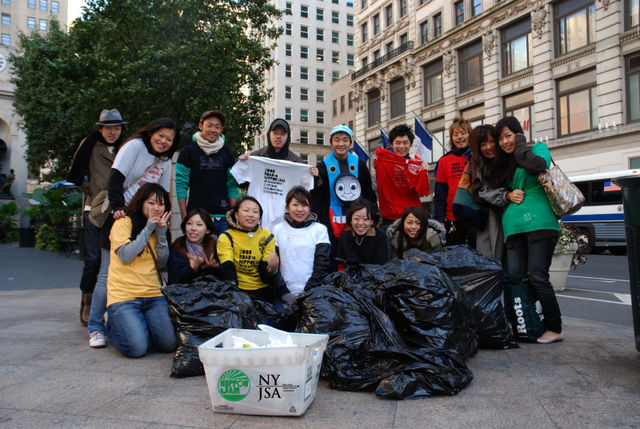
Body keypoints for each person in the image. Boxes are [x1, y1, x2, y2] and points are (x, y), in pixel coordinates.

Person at [87, 117, 178, 348]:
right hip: (120, 215)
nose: (164, 141)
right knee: (106, 274)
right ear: (151, 132)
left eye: (169, 139)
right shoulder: (135, 146)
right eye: (161, 135)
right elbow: (115, 179)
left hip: (145, 217)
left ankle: (131, 320)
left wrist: (162, 219)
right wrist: (118, 208)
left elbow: (161, 193)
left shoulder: (165, 160)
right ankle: (96, 327)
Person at [496, 116, 563, 344]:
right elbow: (495, 189)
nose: (505, 142)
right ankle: (519, 322)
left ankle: (554, 328)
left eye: (508, 136)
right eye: (501, 138)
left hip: (540, 225)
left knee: (537, 277)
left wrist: (521, 147)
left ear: (519, 134)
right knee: (513, 278)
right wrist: (507, 195)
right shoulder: (503, 162)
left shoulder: (537, 149)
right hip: (513, 228)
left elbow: (538, 167)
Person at [67, 109, 127, 327]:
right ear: (100, 129)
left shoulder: (125, 148)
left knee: (115, 260)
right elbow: (74, 173)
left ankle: (112, 305)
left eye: (117, 128)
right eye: (108, 128)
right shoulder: (90, 145)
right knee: (93, 259)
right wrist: (91, 190)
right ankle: (87, 299)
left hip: (118, 209)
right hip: (95, 209)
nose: (112, 132)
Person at [105, 183, 176, 358]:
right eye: (151, 203)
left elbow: (162, 262)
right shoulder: (123, 223)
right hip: (124, 297)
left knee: (168, 344)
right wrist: (149, 228)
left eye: (161, 204)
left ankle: (137, 326)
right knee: (137, 349)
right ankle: (113, 323)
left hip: (153, 295)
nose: (156, 208)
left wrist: (161, 233)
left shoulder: (159, 227)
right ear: (141, 202)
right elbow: (125, 256)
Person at [454, 125, 522, 261]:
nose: (489, 147)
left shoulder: (508, 159)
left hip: (515, 216)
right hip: (488, 220)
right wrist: (506, 195)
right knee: (493, 260)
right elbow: (481, 192)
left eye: (492, 141)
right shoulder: (476, 165)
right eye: (483, 144)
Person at [311, 125, 376, 266]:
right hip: (331, 218)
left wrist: (372, 214)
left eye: (345, 140)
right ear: (331, 143)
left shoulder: (359, 164)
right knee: (335, 256)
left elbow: (368, 192)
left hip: (358, 218)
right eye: (337, 140)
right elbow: (319, 197)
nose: (341, 144)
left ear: (351, 143)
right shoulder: (322, 167)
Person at [232, 118, 312, 231]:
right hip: (255, 218)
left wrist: (314, 175)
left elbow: (307, 192)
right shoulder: (256, 157)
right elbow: (239, 182)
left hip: (284, 221)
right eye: (275, 133)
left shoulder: (297, 163)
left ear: (288, 137)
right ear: (269, 134)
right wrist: (241, 163)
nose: (278, 137)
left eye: (282, 134)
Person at [216, 196, 290, 303]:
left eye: (255, 212)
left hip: (262, 292)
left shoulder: (267, 236)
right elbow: (228, 266)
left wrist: (271, 269)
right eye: (246, 210)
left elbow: (265, 274)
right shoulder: (226, 236)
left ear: (259, 216)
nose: (251, 215)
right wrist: (231, 287)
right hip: (237, 291)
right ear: (236, 214)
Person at [175, 110, 238, 232]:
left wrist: (233, 214)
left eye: (217, 127)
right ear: (201, 126)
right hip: (195, 217)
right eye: (209, 125)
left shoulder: (228, 154)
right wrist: (184, 215)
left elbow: (232, 185)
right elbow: (181, 183)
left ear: (221, 129)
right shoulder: (187, 152)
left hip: (222, 218)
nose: (213, 130)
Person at [272, 186, 331, 299]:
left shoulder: (320, 229)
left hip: (313, 295)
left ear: (310, 208)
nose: (300, 209)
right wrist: (283, 292)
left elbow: (322, 265)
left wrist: (308, 292)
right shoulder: (277, 229)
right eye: (295, 205)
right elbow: (274, 266)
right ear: (287, 208)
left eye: (304, 205)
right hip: (284, 295)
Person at [373, 124, 430, 230]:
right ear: (391, 144)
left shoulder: (417, 165)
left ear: (410, 144)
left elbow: (422, 192)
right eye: (398, 143)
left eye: (405, 143)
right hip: (390, 217)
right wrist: (376, 167)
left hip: (412, 216)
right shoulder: (382, 163)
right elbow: (375, 187)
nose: (402, 146)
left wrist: (424, 173)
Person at [434, 116, 475, 246]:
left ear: (470, 135)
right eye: (455, 134)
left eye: (463, 133)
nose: (459, 137)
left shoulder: (477, 157)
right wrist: (440, 220)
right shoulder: (444, 161)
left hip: (475, 216)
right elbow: (440, 194)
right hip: (452, 219)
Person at [168, 208, 222, 284]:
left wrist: (212, 268)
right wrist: (192, 269)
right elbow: (174, 280)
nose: (193, 228)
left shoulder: (214, 245)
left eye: (199, 224)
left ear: (208, 230)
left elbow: (223, 276)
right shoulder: (178, 246)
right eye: (189, 223)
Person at [336, 199, 388, 268]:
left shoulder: (380, 236)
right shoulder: (344, 235)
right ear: (351, 220)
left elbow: (381, 266)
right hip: (349, 273)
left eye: (365, 219)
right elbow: (341, 264)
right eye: (356, 219)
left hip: (374, 273)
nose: (360, 223)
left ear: (371, 221)